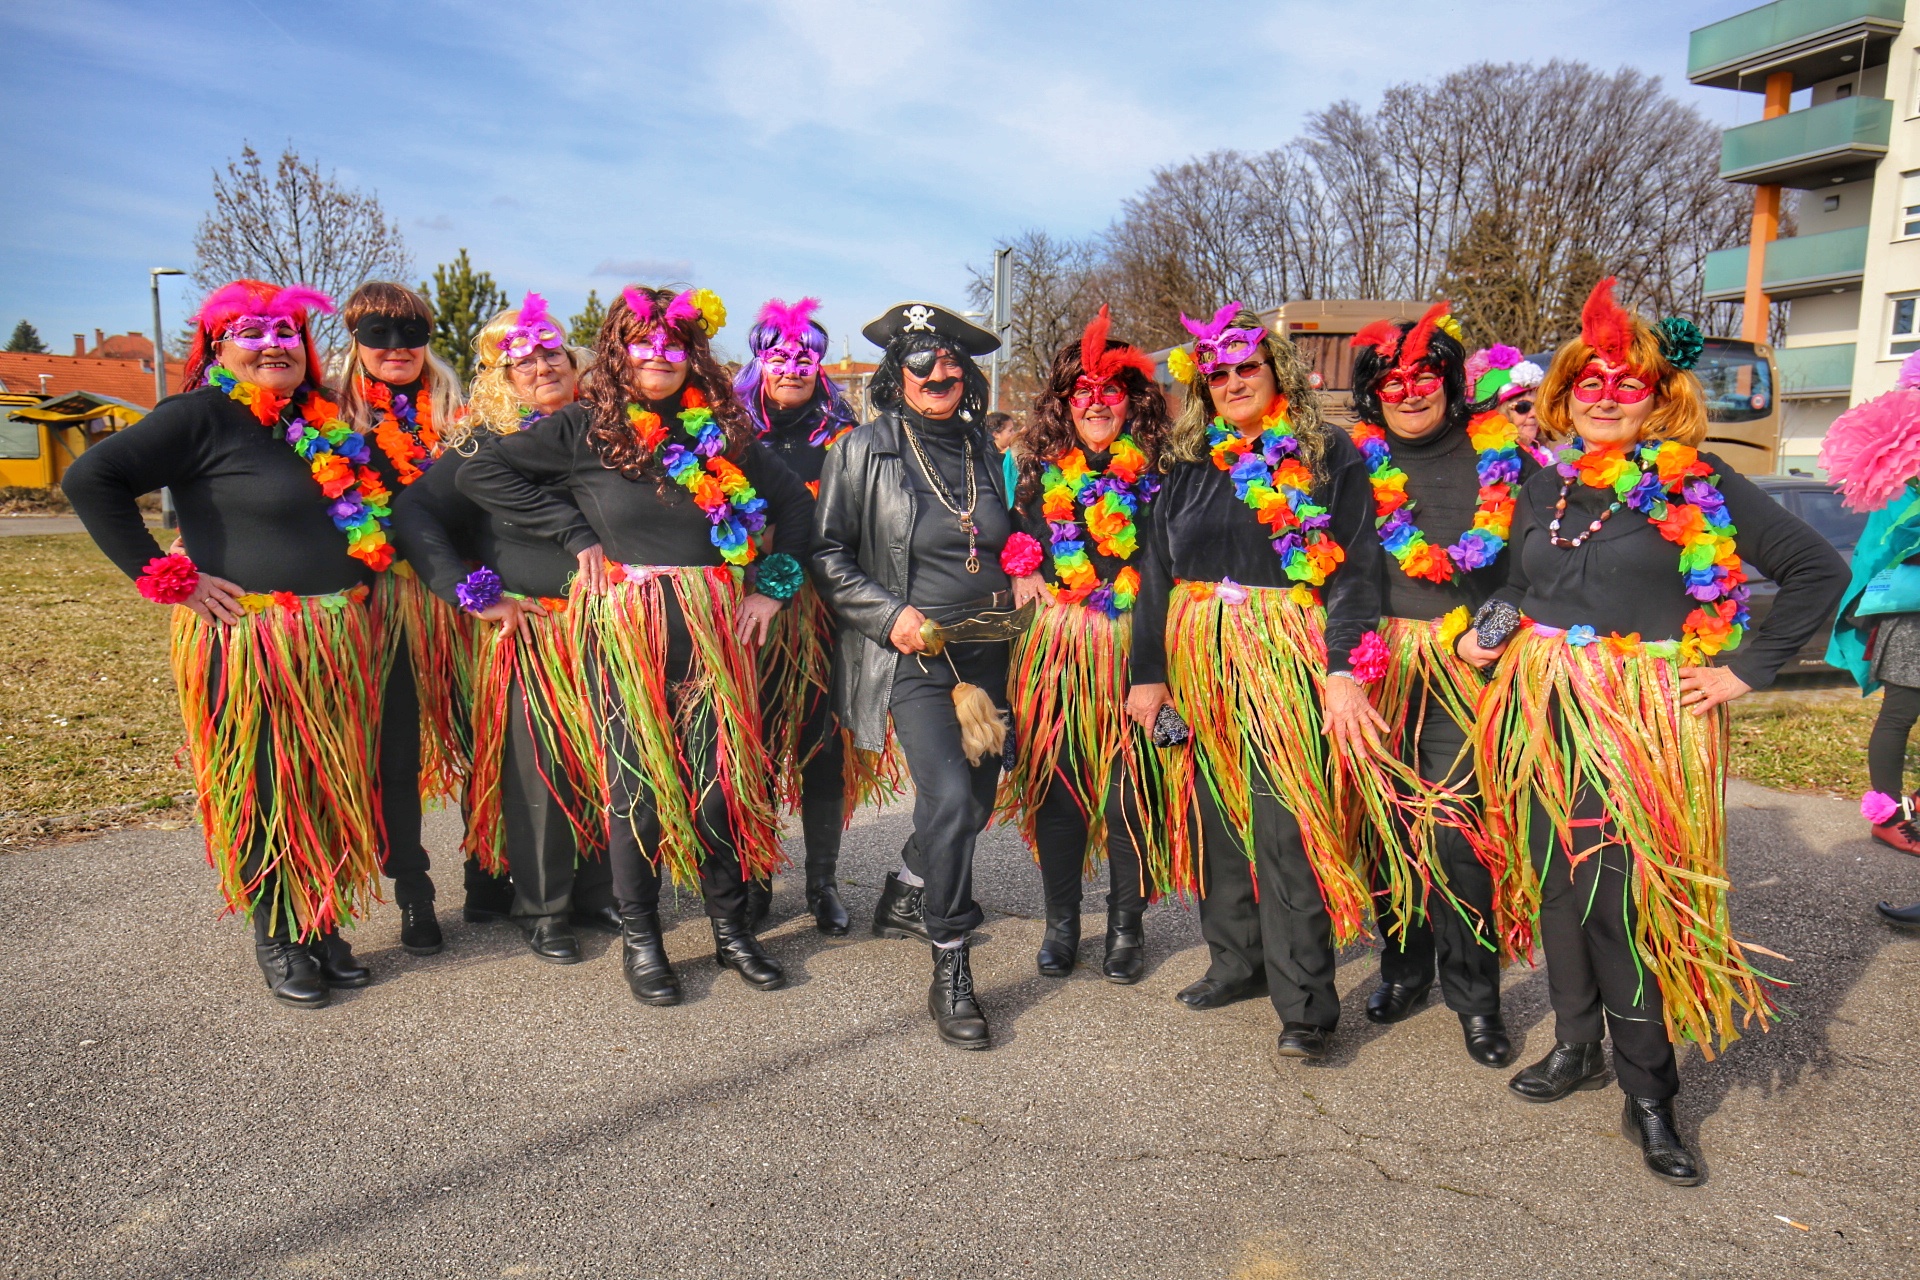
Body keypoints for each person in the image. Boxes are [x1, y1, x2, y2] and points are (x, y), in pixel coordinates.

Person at [1464, 278, 1846, 1184]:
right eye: (1587, 381)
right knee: (1556, 880)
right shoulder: (1544, 484)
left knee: (1618, 900)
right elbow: (1520, 588)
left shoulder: (1698, 480)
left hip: (1638, 719)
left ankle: (1651, 1094)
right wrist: (1487, 633)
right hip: (1540, 707)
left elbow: (1814, 570)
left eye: (1625, 382)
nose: (1603, 395)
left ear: (1658, 395)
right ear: (1564, 393)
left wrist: (1744, 669)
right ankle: (1576, 1045)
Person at [460, 285, 812, 1005]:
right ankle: (644, 940)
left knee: (720, 792)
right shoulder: (584, 427)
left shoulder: (724, 427)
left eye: (673, 343)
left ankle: (731, 933)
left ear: (692, 354)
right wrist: (575, 534)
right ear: (619, 352)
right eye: (644, 342)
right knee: (636, 791)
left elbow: (798, 505)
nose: (659, 355)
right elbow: (481, 472)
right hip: (629, 629)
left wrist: (771, 588)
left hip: (716, 629)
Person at [63, 280, 386, 1006]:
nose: (272, 343)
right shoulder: (201, 414)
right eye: (251, 330)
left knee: (325, 785)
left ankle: (321, 920)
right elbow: (91, 477)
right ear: (217, 346)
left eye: (286, 331)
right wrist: (165, 575)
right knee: (264, 783)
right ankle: (279, 932)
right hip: (249, 639)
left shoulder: (316, 419)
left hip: (331, 633)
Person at [1124, 303, 1392, 1061]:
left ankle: (1306, 1005)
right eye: (1220, 372)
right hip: (1199, 656)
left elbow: (1355, 570)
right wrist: (1150, 675)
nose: (1235, 380)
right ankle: (1235, 963)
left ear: (1276, 371)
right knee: (1216, 817)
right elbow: (1155, 575)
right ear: (1202, 385)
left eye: (1248, 367)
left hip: (1284, 655)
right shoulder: (1184, 462)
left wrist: (1342, 667)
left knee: (1285, 824)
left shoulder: (1324, 451)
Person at [813, 300, 1017, 1049]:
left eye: (954, 363)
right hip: (915, 661)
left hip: (993, 656)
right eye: (925, 362)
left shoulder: (983, 451)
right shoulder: (862, 450)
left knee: (973, 806)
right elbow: (829, 553)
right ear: (897, 375)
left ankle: (908, 884)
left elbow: (1004, 535)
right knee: (954, 798)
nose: (942, 373)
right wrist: (888, 613)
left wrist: (1023, 566)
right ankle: (952, 962)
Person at [390, 293, 618, 964]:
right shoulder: (484, 443)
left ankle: (597, 890)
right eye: (525, 360)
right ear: (501, 375)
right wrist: (468, 592)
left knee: (606, 759)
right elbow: (413, 513)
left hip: (606, 626)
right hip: (531, 631)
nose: (543, 367)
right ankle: (543, 907)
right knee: (537, 766)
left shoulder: (604, 431)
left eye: (553, 353)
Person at [1346, 303, 1531, 1068]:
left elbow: (1528, 573)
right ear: (1373, 394)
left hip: (1465, 668)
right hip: (1376, 664)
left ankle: (1476, 999)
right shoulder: (1349, 464)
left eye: (1425, 375)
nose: (1409, 390)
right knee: (1387, 828)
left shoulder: (1501, 461)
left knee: (1457, 836)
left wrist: (1485, 635)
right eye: (1391, 380)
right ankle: (1402, 967)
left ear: (1452, 382)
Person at [999, 306, 1178, 981]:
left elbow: (1166, 569)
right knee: (1058, 787)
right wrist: (1019, 568)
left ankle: (1127, 928)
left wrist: (1152, 667)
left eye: (1112, 390)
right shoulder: (1035, 470)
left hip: (1137, 640)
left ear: (1133, 400)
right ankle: (1062, 924)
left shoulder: (1164, 472)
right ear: (1064, 402)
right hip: (1058, 647)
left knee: (1130, 793)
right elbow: (1007, 537)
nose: (1097, 403)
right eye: (1083, 391)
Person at [733, 298, 900, 936]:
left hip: (826, 615)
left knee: (821, 749)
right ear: (760, 362)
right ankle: (751, 879)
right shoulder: (730, 431)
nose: (794, 366)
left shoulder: (844, 433)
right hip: (749, 615)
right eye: (779, 355)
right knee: (749, 746)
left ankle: (823, 882)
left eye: (806, 356)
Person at [335, 282, 474, 954]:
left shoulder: (459, 413)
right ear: (355, 339)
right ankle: (414, 893)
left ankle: (494, 870)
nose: (397, 348)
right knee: (394, 755)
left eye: (411, 333)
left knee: (484, 738)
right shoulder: (328, 411)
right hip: (375, 607)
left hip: (458, 603)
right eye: (379, 334)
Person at [1817, 348, 1920, 929]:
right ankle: (1887, 812)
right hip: (1911, 621)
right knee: (1901, 712)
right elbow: (1885, 545)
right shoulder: (1901, 470)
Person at [1467, 345, 1550, 467]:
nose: (1535, 414)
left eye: (1538, 405)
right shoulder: (1480, 463)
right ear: (1496, 414)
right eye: (1523, 407)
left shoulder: (1547, 457)